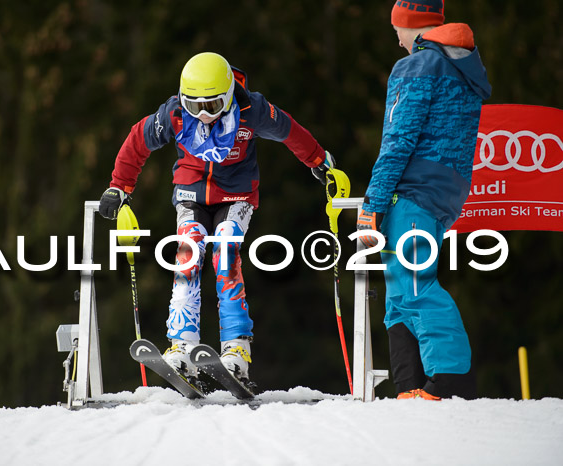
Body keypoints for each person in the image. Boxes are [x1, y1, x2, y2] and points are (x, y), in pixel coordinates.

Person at [99, 52, 333, 384]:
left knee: (226, 251)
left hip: (236, 195)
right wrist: (119, 187)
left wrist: (319, 161)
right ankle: (181, 344)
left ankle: (236, 348)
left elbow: (289, 131)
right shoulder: (175, 115)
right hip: (191, 193)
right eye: (196, 106)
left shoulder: (252, 111)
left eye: (212, 106)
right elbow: (138, 140)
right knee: (188, 254)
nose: (204, 115)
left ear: (227, 96)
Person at [357, 1, 491, 400]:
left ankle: (449, 381)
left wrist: (372, 203)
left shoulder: (416, 66)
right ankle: (410, 384)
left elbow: (399, 139)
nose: (395, 37)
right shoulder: (460, 65)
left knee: (415, 285)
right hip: (444, 190)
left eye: (397, 27)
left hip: (413, 190)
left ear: (411, 26)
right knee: (399, 290)